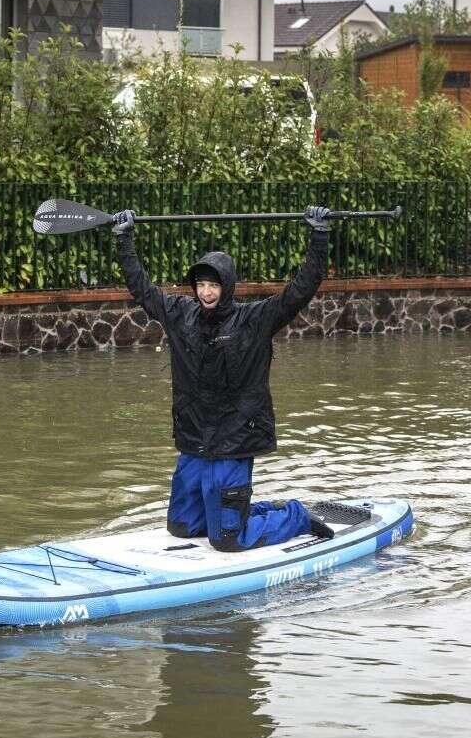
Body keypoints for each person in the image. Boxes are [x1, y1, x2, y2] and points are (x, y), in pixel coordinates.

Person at [111, 205, 335, 551]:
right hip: (195, 438)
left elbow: (299, 293)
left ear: (227, 286)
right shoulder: (180, 314)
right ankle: (250, 509)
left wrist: (319, 236)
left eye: (213, 285)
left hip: (234, 440)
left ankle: (294, 516)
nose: (206, 292)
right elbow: (141, 289)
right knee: (184, 527)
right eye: (200, 284)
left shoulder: (254, 320)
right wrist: (123, 239)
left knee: (228, 540)